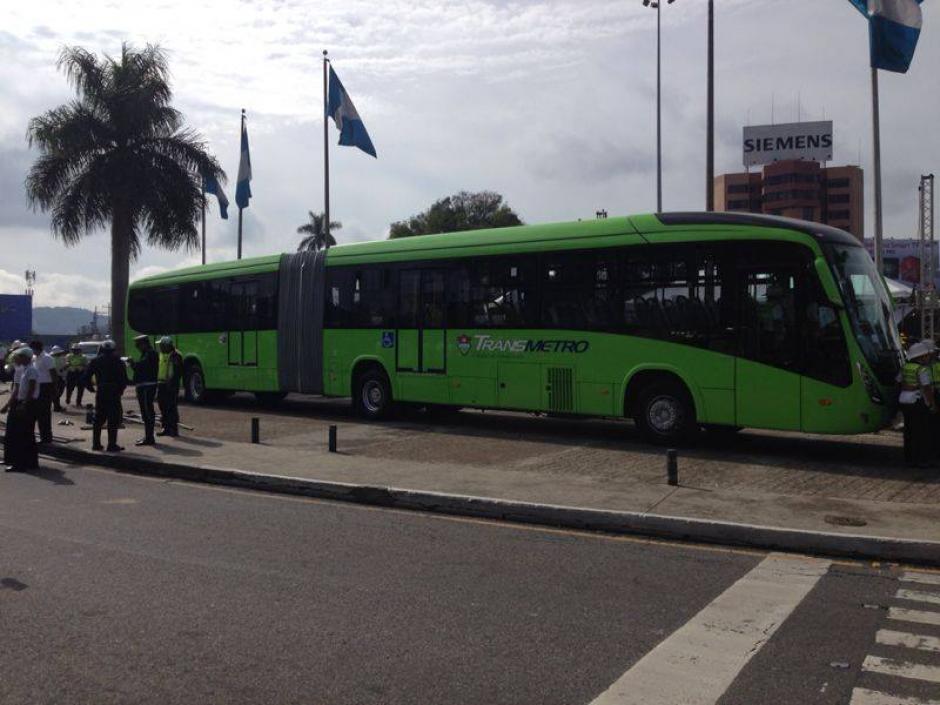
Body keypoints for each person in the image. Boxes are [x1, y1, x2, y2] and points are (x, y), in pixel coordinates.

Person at [82, 339, 127, 452]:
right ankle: (111, 445)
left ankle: (96, 444)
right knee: (113, 419)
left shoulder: (95, 361)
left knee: (98, 419)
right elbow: (124, 379)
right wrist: (120, 390)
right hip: (114, 391)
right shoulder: (118, 361)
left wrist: (91, 388)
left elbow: (86, 377)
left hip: (101, 390)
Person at [900, 340, 937, 468]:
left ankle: (909, 457)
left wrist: (908, 386)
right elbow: (926, 389)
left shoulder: (905, 367)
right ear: (920, 357)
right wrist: (932, 405)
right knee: (921, 432)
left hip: (904, 401)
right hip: (917, 402)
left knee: (909, 430)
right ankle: (921, 459)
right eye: (926, 356)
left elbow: (898, 380)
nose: (928, 358)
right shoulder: (922, 370)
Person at [1, 348, 40, 472]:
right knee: (24, 434)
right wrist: (9, 404)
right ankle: (30, 462)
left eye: (18, 356)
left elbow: (32, 388)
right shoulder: (24, 369)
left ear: (25, 357)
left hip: (27, 403)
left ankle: (20, 464)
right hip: (22, 402)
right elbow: (18, 389)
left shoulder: (31, 370)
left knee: (22, 434)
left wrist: (24, 403)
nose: (16, 359)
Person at [127, 334, 158, 446]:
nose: (137, 347)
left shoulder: (150, 354)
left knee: (147, 412)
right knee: (145, 412)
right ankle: (148, 436)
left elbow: (142, 367)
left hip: (147, 386)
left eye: (138, 345)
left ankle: (149, 438)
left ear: (144, 344)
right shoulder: (146, 354)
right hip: (143, 386)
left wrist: (132, 362)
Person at [156, 336, 183, 437]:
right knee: (162, 406)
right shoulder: (163, 354)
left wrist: (171, 383)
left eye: (161, 345)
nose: (160, 347)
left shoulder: (176, 355)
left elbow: (177, 372)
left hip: (171, 385)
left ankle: (173, 429)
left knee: (171, 407)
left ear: (167, 345)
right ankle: (165, 428)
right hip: (162, 384)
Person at [29, 340, 55, 443]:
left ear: (36, 348)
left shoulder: (47, 358)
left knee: (44, 414)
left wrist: (54, 388)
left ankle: (47, 437)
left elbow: (53, 374)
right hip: (37, 387)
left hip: (46, 387)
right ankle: (42, 436)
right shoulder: (35, 358)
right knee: (37, 413)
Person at [50, 345, 67, 411]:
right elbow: (60, 369)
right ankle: (57, 406)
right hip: (58, 377)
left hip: (57, 377)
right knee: (58, 392)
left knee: (57, 392)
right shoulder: (55, 359)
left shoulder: (54, 358)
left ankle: (56, 405)